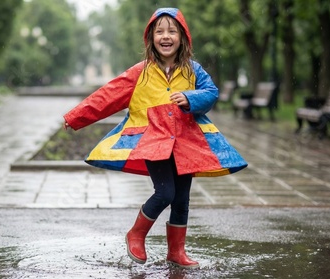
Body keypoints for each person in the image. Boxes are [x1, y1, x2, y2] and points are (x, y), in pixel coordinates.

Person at [63, 7, 247, 268]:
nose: (166, 36)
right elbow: (107, 95)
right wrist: (75, 117)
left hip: (186, 143)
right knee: (165, 192)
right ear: (150, 38)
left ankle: (176, 252)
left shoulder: (193, 71)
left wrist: (191, 98)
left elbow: (211, 92)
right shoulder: (141, 72)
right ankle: (136, 234)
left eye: (172, 31)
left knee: (182, 199)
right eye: (159, 31)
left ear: (183, 37)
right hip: (154, 141)